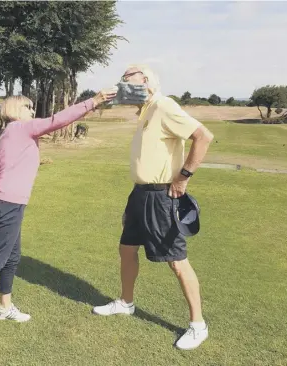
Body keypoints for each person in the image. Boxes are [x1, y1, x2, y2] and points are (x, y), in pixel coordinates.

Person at [0, 87, 118, 347]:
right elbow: (58, 121)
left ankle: (4, 306)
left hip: (10, 202)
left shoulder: (12, 132)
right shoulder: (20, 129)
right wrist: (94, 101)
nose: (33, 111)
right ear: (15, 110)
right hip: (8, 203)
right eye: (28, 107)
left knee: (12, 256)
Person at [92, 65, 214, 351]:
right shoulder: (145, 111)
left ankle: (198, 325)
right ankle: (126, 302)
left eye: (127, 78)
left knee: (176, 260)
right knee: (126, 248)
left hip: (161, 196)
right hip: (140, 194)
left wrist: (183, 177)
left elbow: (203, 137)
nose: (122, 82)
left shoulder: (163, 105)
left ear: (144, 80)